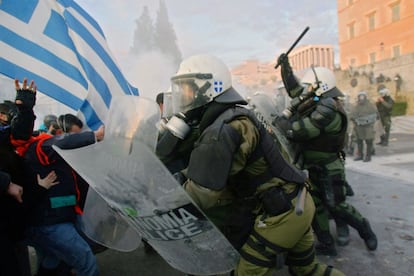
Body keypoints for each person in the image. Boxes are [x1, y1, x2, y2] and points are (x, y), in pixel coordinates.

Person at [162, 54, 343, 275]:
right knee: (309, 271)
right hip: (299, 205)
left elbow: (203, 193)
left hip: (281, 216)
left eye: (188, 89)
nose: (184, 96)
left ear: (209, 88)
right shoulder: (237, 116)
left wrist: (166, 198)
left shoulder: (222, 130)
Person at [275, 56, 377, 257]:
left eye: (310, 85)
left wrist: (283, 123)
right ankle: (326, 242)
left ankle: (365, 230)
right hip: (312, 165)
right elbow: (296, 90)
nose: (306, 90)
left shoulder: (328, 107)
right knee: (316, 205)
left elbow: (302, 131)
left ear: (320, 86)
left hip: (329, 167)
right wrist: (286, 69)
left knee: (337, 205)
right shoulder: (316, 100)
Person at [12, 79, 104, 276]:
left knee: (51, 261)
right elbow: (61, 143)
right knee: (85, 260)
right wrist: (95, 136)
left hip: (59, 215)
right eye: (73, 135)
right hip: (50, 222)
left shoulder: (38, 148)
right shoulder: (40, 146)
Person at [0, 79, 59, 276]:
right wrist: (4, 183)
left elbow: (19, 135)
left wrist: (24, 110)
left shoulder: (5, 138)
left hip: (11, 224)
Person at [349, 91, 378, 162]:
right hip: (359, 126)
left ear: (365, 97)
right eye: (360, 97)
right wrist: (354, 119)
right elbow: (352, 115)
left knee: (369, 141)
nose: (361, 98)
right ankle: (360, 155)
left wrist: (367, 120)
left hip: (368, 126)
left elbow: (375, 115)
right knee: (359, 141)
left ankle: (368, 156)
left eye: (362, 97)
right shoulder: (356, 106)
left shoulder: (370, 105)